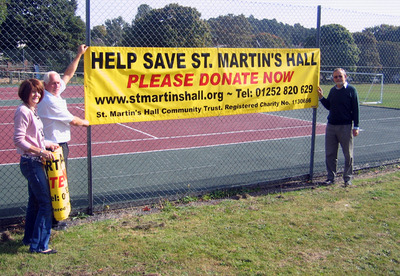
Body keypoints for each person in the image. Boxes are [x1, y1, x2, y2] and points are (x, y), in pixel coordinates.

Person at [37, 44, 89, 230]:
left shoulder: (54, 93)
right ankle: (54, 220)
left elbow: (67, 74)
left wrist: (78, 55)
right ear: (45, 85)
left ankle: (54, 218)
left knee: (56, 180)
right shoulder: (50, 101)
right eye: (54, 82)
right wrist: (90, 121)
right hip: (53, 147)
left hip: (56, 144)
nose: (58, 84)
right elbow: (74, 121)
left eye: (58, 82)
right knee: (55, 182)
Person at [13, 79, 60, 254]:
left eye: (39, 92)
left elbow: (35, 138)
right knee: (46, 204)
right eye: (33, 92)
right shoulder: (24, 111)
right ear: (25, 93)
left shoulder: (32, 110)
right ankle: (40, 246)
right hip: (31, 162)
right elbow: (19, 139)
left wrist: (49, 144)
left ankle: (29, 239)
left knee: (34, 202)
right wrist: (41, 152)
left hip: (34, 160)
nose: (37, 95)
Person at [318, 68, 360, 187]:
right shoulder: (333, 90)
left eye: (340, 76)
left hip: (345, 126)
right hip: (331, 126)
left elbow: (356, 109)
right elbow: (329, 106)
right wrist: (321, 97)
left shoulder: (352, 90)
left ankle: (347, 179)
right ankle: (331, 178)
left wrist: (356, 126)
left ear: (345, 77)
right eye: (335, 77)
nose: (337, 79)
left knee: (348, 154)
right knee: (330, 153)